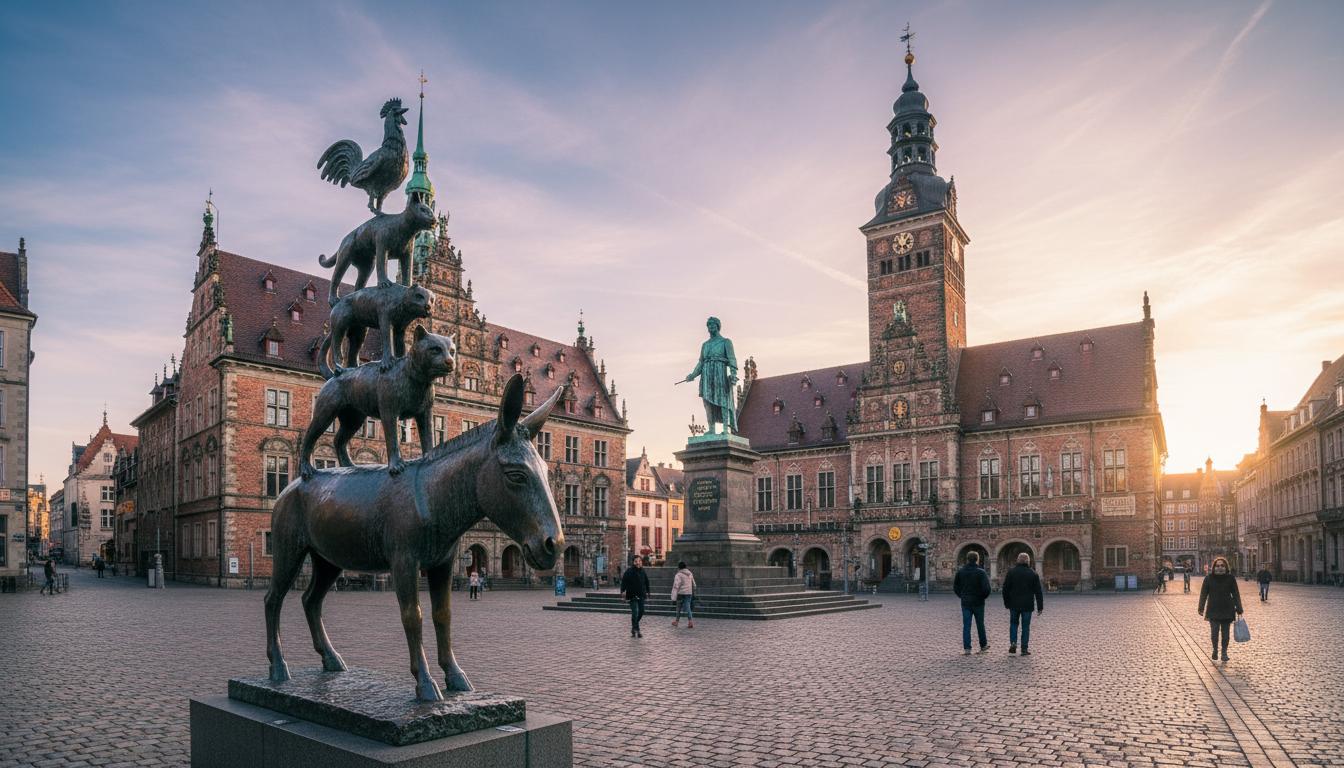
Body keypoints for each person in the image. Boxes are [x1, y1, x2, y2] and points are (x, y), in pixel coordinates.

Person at [1198, 556, 1243, 662]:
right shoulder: (1208, 578)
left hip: (1227, 609)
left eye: (1222, 566)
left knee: (1225, 634)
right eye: (1217, 566)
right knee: (1214, 633)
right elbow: (1203, 594)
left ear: (1226, 567)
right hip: (1213, 609)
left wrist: (1239, 607)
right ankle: (1215, 650)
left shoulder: (1230, 578)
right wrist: (1201, 607)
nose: (1220, 568)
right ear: (1214, 567)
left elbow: (1236, 594)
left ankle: (1224, 652)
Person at [1001, 552, 1044, 656]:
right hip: (1027, 605)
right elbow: (1038, 591)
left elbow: (1005, 589)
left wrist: (1007, 603)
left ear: (1018, 560)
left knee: (1013, 624)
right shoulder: (1033, 573)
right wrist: (1040, 607)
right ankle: (1024, 649)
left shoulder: (1011, 572)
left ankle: (1013, 643)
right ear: (1028, 561)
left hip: (1014, 604)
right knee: (1025, 627)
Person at [953, 551, 992, 654]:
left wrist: (961, 596)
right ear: (977, 559)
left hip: (965, 602)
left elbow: (956, 587)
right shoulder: (981, 572)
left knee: (966, 625)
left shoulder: (961, 572)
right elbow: (987, 589)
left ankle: (967, 648)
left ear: (967, 559)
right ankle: (983, 646)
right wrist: (982, 597)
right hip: (978, 602)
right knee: (980, 624)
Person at [620, 556, 651, 638]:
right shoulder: (629, 571)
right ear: (633, 562)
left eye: (639, 561)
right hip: (632, 594)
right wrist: (622, 591)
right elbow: (624, 582)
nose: (638, 562)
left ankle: (634, 627)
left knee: (641, 611)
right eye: (636, 561)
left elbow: (646, 582)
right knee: (635, 612)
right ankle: (637, 630)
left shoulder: (643, 571)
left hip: (641, 594)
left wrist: (648, 592)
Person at [670, 561, 696, 629]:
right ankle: (690, 622)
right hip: (689, 593)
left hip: (681, 593)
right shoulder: (690, 573)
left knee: (678, 608)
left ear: (679, 567)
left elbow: (676, 585)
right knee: (688, 607)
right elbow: (694, 584)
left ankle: (676, 622)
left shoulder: (678, 575)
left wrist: (674, 596)